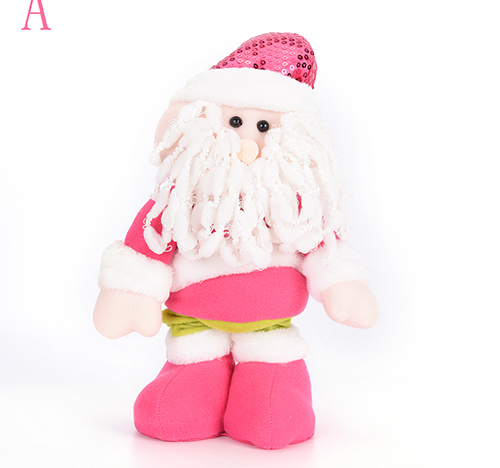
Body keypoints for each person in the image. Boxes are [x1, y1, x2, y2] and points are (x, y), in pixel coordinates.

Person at [94, 32, 379, 450]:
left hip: (269, 332)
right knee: (171, 413)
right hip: (196, 330)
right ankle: (200, 380)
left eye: (263, 126)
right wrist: (132, 295)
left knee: (272, 418)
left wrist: (342, 286)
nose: (247, 140)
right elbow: (149, 242)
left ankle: (270, 384)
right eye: (234, 122)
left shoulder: (294, 204)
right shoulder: (183, 199)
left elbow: (324, 246)